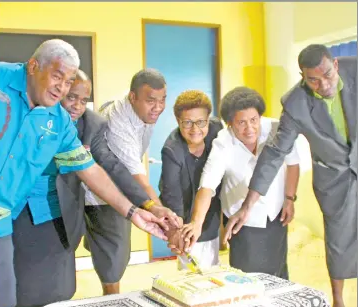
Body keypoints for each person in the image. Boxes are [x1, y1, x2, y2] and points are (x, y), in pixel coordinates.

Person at [0, 39, 168, 307]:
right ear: (34, 66)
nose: (62, 88)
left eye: (69, 81)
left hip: (2, 217)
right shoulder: (0, 79)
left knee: (3, 292)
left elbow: (91, 170)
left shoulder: (59, 122)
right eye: (57, 76)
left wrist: (134, 211)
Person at [222, 45, 357, 307]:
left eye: (328, 75)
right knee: (337, 241)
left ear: (335, 64)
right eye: (313, 80)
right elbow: (273, 155)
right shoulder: (295, 103)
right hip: (334, 178)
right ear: (303, 77)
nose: (324, 85)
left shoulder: (355, 69)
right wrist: (248, 205)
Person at [180, 87, 300, 278]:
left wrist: (289, 198)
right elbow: (207, 186)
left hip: (275, 212)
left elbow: (293, 163)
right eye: (241, 123)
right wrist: (196, 223)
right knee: (247, 277)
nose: (250, 128)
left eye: (254, 120)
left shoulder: (277, 129)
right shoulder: (223, 143)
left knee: (278, 271)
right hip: (241, 220)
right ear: (229, 124)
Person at [83, 69, 182, 295]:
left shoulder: (145, 113)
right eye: (151, 101)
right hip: (100, 192)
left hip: (122, 188)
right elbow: (134, 175)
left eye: (162, 100)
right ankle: (112, 303)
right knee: (115, 255)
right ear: (133, 97)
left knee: (113, 250)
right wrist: (161, 213)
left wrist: (159, 212)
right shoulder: (119, 121)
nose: (157, 107)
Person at [159, 90, 223, 270]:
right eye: (187, 122)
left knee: (213, 262)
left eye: (201, 122)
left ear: (208, 119)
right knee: (192, 265)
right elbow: (172, 193)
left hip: (210, 206)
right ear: (178, 121)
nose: (195, 129)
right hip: (185, 210)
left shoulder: (218, 130)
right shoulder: (172, 150)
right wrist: (178, 230)